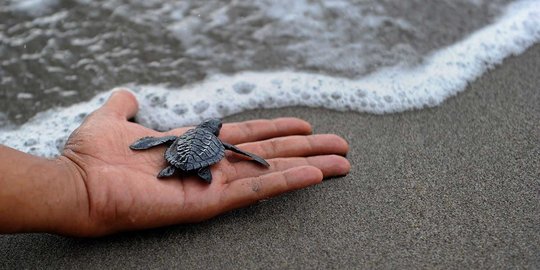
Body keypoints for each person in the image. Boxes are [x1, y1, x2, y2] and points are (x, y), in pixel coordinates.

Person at [0, 90, 350, 237]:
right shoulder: (217, 143)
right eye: (218, 130)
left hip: (178, 152)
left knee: (177, 158)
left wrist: (80, 182)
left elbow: (166, 139)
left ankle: (178, 169)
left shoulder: (186, 137)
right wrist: (255, 158)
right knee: (204, 169)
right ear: (215, 133)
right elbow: (234, 150)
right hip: (194, 156)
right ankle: (195, 171)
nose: (218, 130)